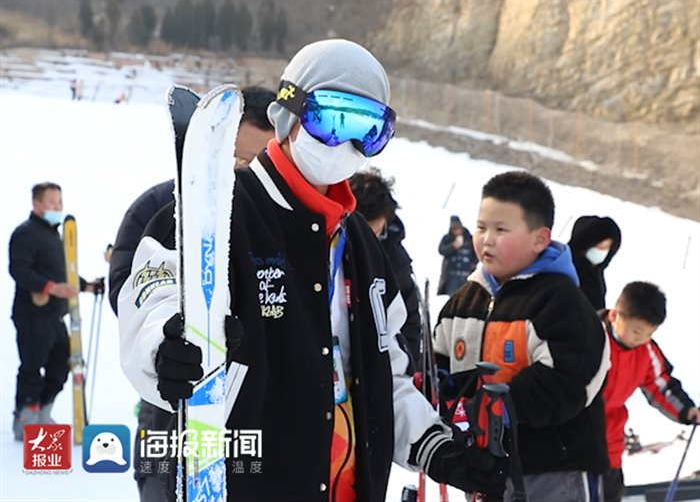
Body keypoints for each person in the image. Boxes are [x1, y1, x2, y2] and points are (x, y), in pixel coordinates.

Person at [119, 39, 506, 501]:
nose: (345, 143)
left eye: (367, 130)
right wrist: (166, 347)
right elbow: (155, 297)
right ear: (289, 113)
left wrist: (438, 450)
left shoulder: (361, 244)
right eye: (331, 120)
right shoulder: (217, 211)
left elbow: (386, 377)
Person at [108, 85, 275, 502]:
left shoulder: (275, 225)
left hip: (249, 414)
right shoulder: (159, 207)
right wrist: (167, 341)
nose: (244, 173)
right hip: (170, 400)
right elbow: (130, 292)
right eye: (237, 158)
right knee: (162, 489)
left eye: (258, 163)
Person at [433, 170, 611, 501]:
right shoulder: (464, 300)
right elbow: (439, 359)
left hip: (553, 469)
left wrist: (493, 409)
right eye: (482, 227)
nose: (486, 239)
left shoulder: (562, 301)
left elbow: (568, 381)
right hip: (485, 469)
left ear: (539, 239)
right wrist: (441, 391)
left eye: (501, 230)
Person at [9, 182, 99, 439]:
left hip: (54, 317)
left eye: (60, 202)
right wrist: (50, 287)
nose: (57, 207)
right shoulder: (26, 233)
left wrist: (86, 286)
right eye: (52, 202)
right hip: (33, 314)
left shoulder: (54, 236)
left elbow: (63, 275)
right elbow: (19, 269)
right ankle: (26, 419)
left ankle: (44, 411)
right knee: (32, 366)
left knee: (61, 363)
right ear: (37, 204)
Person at [599, 281, 700, 502]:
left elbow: (661, 384)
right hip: (574, 432)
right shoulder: (592, 337)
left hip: (611, 435)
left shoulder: (646, 351)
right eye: (636, 331)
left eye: (649, 333)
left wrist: (686, 410)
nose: (641, 338)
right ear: (615, 315)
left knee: (609, 490)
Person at [348, 167, 421, 366]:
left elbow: (410, 322)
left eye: (375, 233)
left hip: (381, 362)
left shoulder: (396, 260)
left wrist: (408, 366)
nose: (367, 242)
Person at [568, 215, 622, 310]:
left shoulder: (596, 276)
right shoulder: (565, 270)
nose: (600, 252)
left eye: (605, 249)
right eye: (598, 247)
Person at [437, 215, 477, 296]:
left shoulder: (469, 238)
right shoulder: (447, 238)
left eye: (458, 228)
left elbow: (477, 251)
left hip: (466, 275)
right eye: (454, 229)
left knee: (467, 298)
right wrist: (453, 246)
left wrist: (474, 263)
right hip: (452, 276)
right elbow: (441, 250)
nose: (457, 231)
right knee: (453, 299)